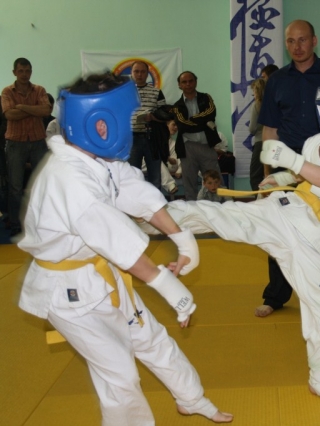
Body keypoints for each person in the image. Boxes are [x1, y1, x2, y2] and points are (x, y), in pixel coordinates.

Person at [16, 72, 232, 424]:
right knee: (119, 374)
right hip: (70, 295)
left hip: (102, 272)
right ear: (99, 123)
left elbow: (134, 192)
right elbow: (120, 243)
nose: (130, 127)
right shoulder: (70, 179)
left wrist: (181, 238)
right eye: (125, 118)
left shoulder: (95, 158)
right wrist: (168, 287)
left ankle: (191, 398)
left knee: (151, 337)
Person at [145, 81, 320, 408]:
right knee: (220, 215)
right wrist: (283, 177)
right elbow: (306, 176)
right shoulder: (316, 141)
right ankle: (145, 219)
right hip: (283, 212)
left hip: (317, 238)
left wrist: (291, 161)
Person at [257, 19, 320, 316]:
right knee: (279, 226)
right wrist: (268, 173)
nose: (296, 46)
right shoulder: (277, 80)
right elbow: (270, 129)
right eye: (291, 41)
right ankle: (276, 295)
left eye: (302, 40)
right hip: (286, 162)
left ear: (314, 41)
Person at [1, 58, 51, 236]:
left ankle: (43, 221)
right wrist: (34, 109)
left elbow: (46, 111)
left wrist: (22, 107)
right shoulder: (7, 91)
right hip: (16, 143)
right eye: (21, 71)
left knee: (42, 184)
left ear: (31, 71)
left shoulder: (39, 90)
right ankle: (15, 222)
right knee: (15, 186)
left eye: (28, 70)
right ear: (14, 72)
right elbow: (10, 115)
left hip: (38, 141)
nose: (24, 74)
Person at [172, 71, 222, 201]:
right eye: (184, 82)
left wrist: (192, 120)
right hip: (188, 147)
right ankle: (193, 210)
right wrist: (204, 123)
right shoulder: (177, 106)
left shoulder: (206, 98)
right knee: (189, 183)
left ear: (195, 82)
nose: (188, 84)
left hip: (207, 145)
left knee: (215, 181)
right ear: (179, 85)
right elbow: (182, 125)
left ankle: (219, 208)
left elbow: (211, 113)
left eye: (191, 81)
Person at [128, 61, 168, 190]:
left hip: (152, 138)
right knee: (133, 176)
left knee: (155, 176)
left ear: (147, 74)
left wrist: (153, 117)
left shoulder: (156, 92)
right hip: (131, 139)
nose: (139, 74)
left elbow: (165, 114)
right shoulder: (123, 93)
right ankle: (134, 202)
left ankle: (155, 202)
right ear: (131, 73)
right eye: (136, 71)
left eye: (143, 71)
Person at [249, 78, 266, 190]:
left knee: (255, 176)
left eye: (253, 92)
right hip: (275, 142)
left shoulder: (256, 105)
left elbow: (252, 128)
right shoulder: (274, 104)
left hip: (260, 142)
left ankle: (259, 198)